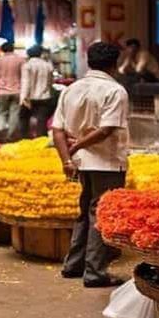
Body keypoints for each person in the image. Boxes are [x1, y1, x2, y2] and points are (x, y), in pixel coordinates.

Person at [52, 42, 129, 288]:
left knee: (85, 211)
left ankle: (73, 264)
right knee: (100, 213)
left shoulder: (70, 89)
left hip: (81, 163)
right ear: (113, 64)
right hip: (106, 162)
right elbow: (106, 129)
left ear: (88, 61)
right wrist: (77, 147)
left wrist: (66, 158)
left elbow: (57, 130)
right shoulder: (115, 91)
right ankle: (95, 272)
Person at [0, 42, 26, 141]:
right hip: (17, 91)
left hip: (2, 92)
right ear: (13, 49)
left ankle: (0, 130)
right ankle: (11, 135)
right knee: (14, 113)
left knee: (2, 113)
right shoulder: (21, 60)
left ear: (2, 50)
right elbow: (24, 76)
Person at [20, 45, 55, 138]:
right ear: (40, 54)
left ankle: (25, 138)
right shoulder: (48, 65)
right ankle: (41, 139)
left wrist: (23, 97)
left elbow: (25, 82)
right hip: (45, 96)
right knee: (42, 119)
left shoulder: (27, 65)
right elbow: (51, 82)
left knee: (24, 118)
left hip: (30, 97)